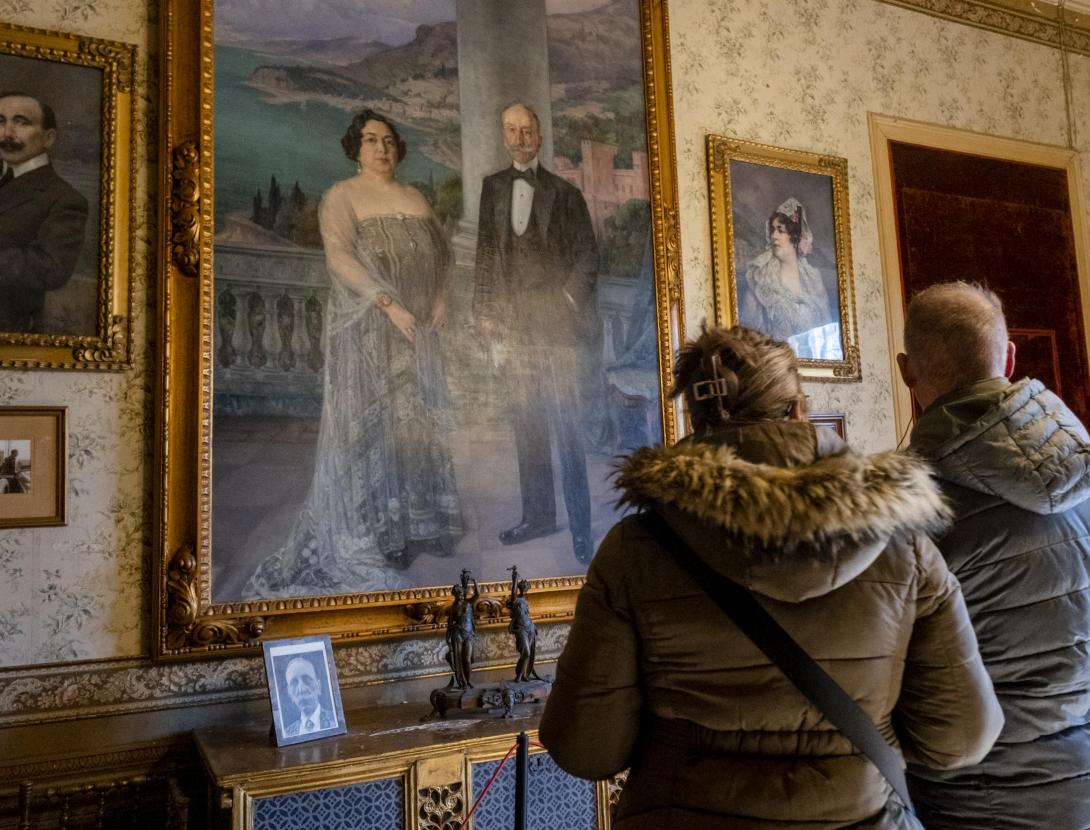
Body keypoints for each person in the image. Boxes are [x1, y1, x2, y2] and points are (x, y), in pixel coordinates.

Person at [540, 323, 1003, 829]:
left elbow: (584, 749)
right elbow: (961, 737)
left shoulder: (634, 551)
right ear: (799, 410)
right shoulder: (904, 548)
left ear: (693, 421)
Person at [244, 110, 462, 598]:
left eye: (388, 140)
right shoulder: (341, 196)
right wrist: (388, 304)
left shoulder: (414, 197)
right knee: (371, 429)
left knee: (415, 423)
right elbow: (339, 257)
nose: (381, 148)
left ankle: (419, 526)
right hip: (369, 332)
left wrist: (441, 299)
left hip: (420, 329)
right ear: (355, 148)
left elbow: (442, 256)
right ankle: (374, 534)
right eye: (370, 140)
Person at [896, 281, 1090, 829]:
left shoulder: (900, 507)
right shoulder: (1085, 474)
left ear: (907, 371)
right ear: (1008, 357)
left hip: (975, 799)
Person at [473, 102, 599, 564]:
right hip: (514, 329)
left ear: (540, 138)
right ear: (504, 136)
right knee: (527, 427)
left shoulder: (565, 195)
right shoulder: (492, 189)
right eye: (512, 130)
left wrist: (566, 303)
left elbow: (588, 256)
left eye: (528, 130)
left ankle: (582, 530)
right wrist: (486, 316)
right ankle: (539, 516)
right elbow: (486, 256)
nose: (520, 138)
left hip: (559, 333)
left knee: (566, 431)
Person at [0, 91, 89, 334]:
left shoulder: (64, 199)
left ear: (49, 138)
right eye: (0, 121)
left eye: (21, 122)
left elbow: (51, 268)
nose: (7, 133)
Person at [738, 197, 840, 360]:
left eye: (780, 230)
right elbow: (746, 336)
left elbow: (827, 333)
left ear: (794, 235)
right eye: (772, 230)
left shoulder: (813, 278)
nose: (774, 236)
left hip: (814, 367)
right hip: (774, 370)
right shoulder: (760, 276)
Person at [281, 656, 335, 737]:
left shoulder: (335, 721)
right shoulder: (287, 733)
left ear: (319, 686)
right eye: (294, 683)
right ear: (290, 694)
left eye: (307, 680)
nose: (301, 689)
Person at [445, 569, 479, 689]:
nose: (460, 595)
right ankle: (462, 682)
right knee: (459, 660)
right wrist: (448, 640)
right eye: (457, 594)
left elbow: (477, 595)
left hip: (468, 634)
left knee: (467, 659)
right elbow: (450, 624)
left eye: (460, 593)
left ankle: (468, 681)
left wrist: (474, 582)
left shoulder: (468, 603)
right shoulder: (453, 608)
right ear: (455, 595)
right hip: (458, 635)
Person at [506, 566, 539, 683]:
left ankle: (523, 675)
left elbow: (527, 616)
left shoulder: (525, 602)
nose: (525, 588)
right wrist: (514, 577)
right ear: (520, 588)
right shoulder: (516, 600)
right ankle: (519, 675)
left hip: (529, 628)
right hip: (521, 630)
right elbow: (513, 591)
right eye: (523, 586)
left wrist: (533, 626)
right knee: (526, 652)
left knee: (527, 654)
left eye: (526, 587)